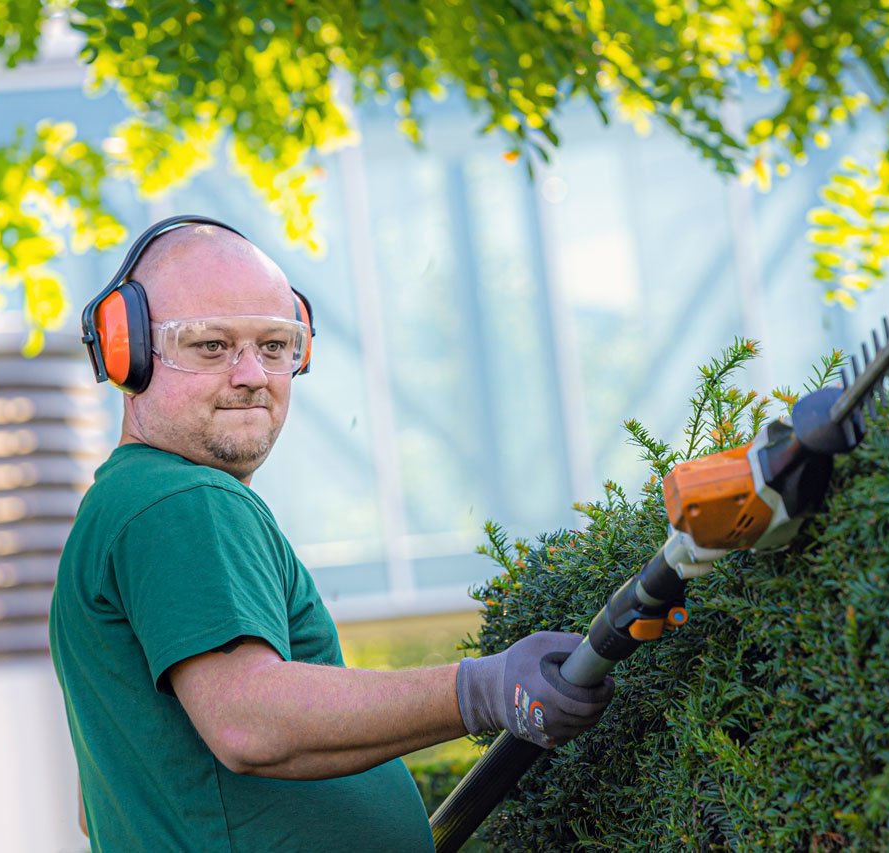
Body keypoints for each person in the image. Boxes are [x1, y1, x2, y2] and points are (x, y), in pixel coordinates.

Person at [50, 217, 615, 852]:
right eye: (210, 345)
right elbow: (246, 722)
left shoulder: (124, 508)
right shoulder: (182, 501)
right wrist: (481, 689)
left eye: (274, 345)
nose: (252, 374)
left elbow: (93, 803)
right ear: (127, 354)